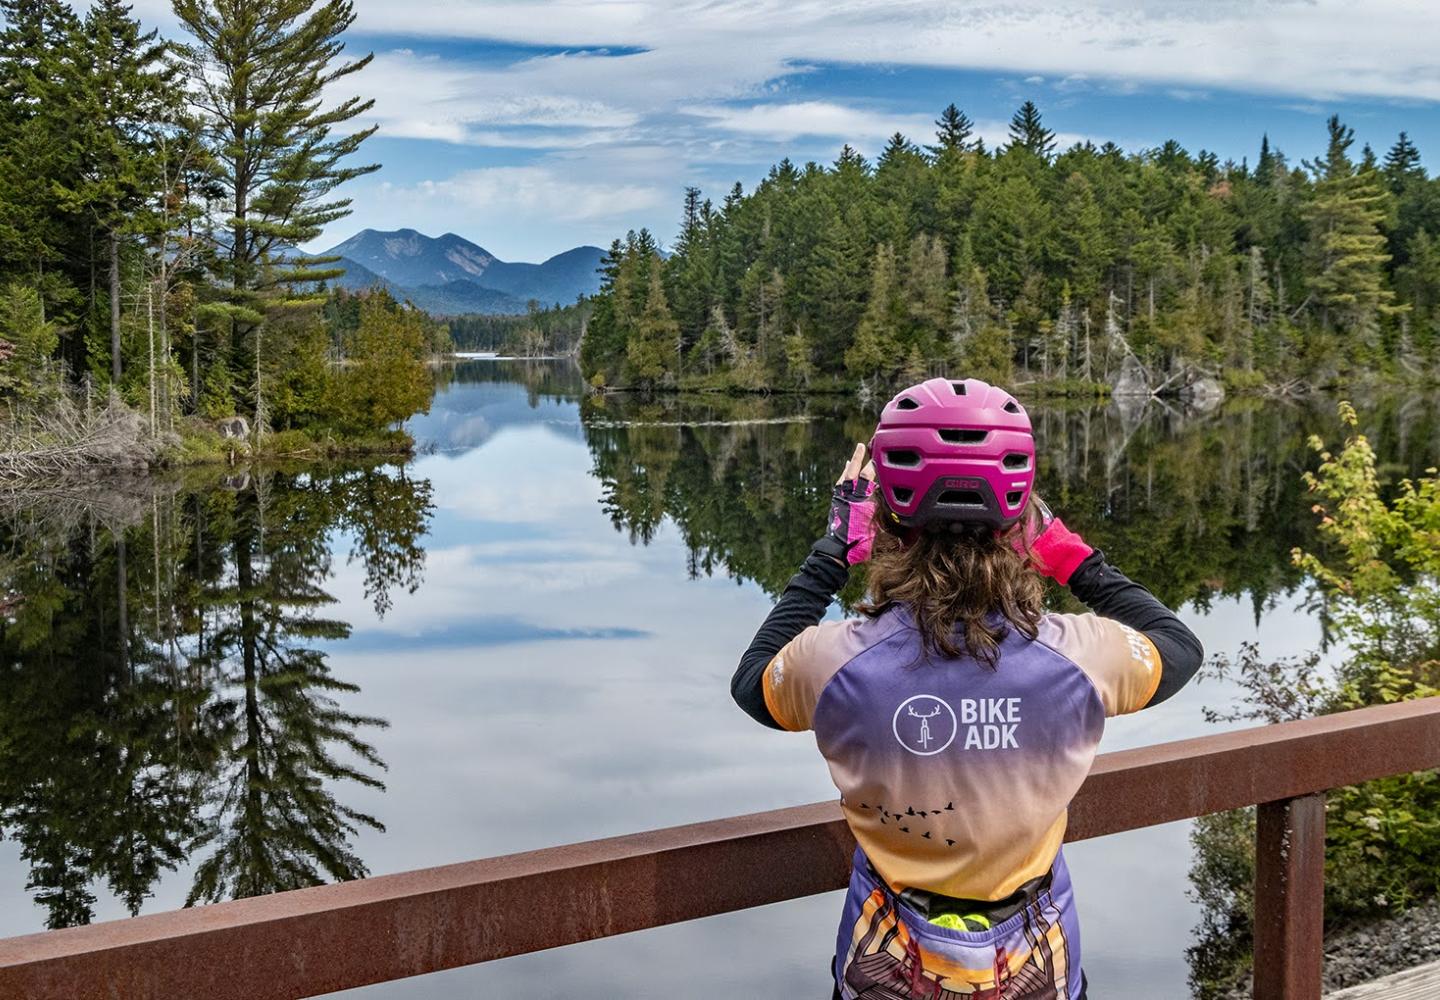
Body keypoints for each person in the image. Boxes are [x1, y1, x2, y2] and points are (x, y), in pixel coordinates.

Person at [731, 377, 1203, 1000]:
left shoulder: (834, 661)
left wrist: (833, 551)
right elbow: (1178, 646)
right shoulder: (1081, 656)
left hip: (885, 958)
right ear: (1019, 516)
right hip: (1037, 958)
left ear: (890, 519)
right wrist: (1066, 553)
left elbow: (752, 683)